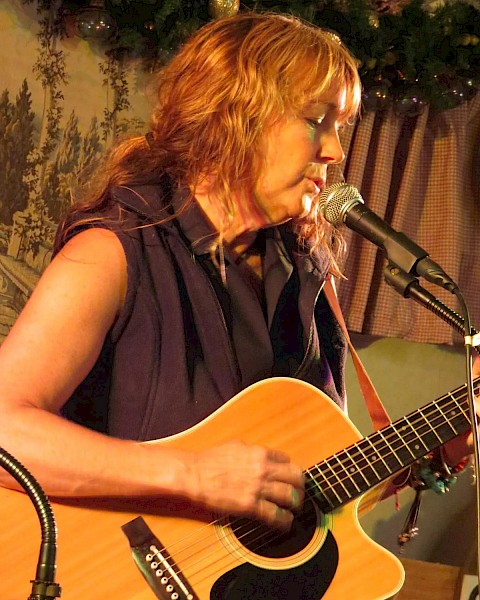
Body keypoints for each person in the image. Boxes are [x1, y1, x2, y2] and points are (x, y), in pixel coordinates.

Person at [0, 10, 476, 598]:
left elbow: (297, 484)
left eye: (341, 127)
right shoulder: (112, 252)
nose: (333, 150)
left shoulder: (306, 276)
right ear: (235, 119)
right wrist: (191, 475)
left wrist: (424, 454)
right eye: (315, 121)